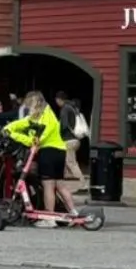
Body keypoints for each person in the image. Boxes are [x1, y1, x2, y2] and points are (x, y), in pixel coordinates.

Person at [5, 90, 86, 225]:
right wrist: (8, 127)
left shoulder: (44, 117)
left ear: (34, 104)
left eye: (29, 105)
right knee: (60, 185)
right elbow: (22, 123)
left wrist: (13, 135)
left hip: (48, 152)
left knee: (48, 186)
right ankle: (73, 213)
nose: (28, 109)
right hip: (60, 151)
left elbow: (35, 141)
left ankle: (49, 219)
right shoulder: (45, 115)